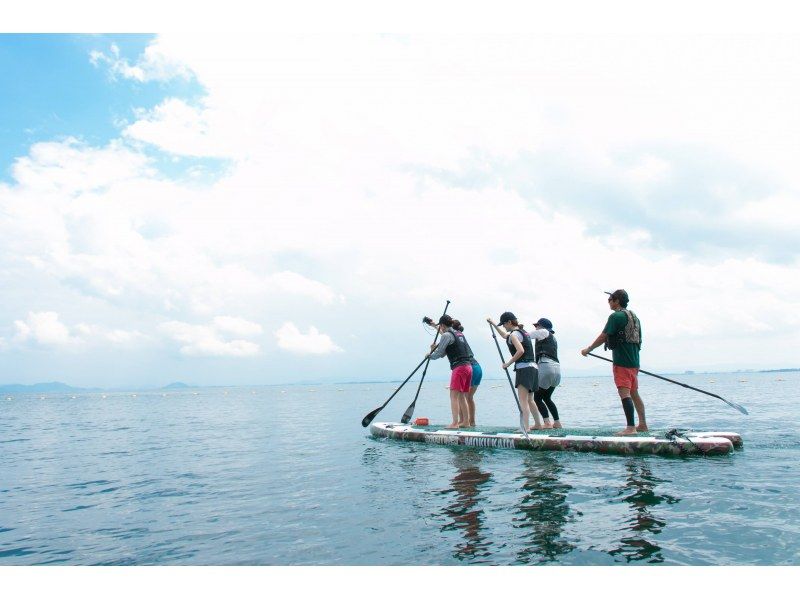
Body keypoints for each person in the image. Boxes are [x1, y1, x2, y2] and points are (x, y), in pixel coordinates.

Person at [580, 289, 648, 436]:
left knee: (624, 393)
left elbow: (604, 336)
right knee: (634, 392)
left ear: (617, 301)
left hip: (622, 361)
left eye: (610, 300)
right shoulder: (635, 317)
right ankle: (642, 424)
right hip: (634, 362)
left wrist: (589, 349)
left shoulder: (615, 316)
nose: (609, 303)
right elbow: (639, 340)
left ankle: (630, 428)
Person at [487, 312, 543, 431]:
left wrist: (508, 363)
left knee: (523, 400)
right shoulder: (523, 332)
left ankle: (525, 427)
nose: (503, 326)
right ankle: (538, 424)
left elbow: (520, 351)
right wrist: (493, 324)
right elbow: (503, 335)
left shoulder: (514, 335)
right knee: (530, 399)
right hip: (533, 367)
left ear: (509, 322)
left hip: (524, 369)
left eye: (504, 324)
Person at [426, 315, 474, 429]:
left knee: (453, 396)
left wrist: (429, 355)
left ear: (442, 325)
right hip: (468, 367)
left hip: (459, 368)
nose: (440, 329)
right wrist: (435, 352)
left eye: (440, 326)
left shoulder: (446, 335)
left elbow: (439, 353)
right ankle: (466, 422)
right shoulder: (459, 334)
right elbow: (444, 354)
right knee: (462, 395)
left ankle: (455, 423)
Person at [532, 317, 562, 429]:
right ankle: (557, 423)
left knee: (537, 398)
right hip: (556, 368)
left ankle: (547, 423)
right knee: (547, 397)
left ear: (542, 326)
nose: (536, 328)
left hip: (546, 367)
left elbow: (526, 336)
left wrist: (518, 331)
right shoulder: (553, 338)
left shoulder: (543, 332)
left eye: (537, 325)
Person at [452, 319, 481, 427]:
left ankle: (463, 421)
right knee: (469, 397)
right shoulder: (461, 337)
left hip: (468, 367)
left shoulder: (453, 336)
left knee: (460, 396)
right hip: (477, 367)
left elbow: (445, 334)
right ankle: (471, 422)